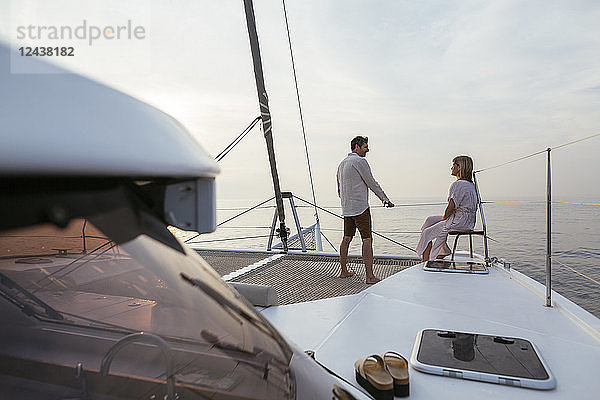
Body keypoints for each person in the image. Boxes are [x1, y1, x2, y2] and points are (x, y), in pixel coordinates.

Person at [337, 136, 394, 284]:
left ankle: (343, 271)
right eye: (365, 146)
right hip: (361, 208)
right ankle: (369, 276)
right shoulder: (360, 161)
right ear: (356, 147)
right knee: (367, 240)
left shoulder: (342, 164)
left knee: (346, 238)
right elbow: (371, 183)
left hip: (347, 208)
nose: (367, 149)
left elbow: (339, 189)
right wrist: (385, 199)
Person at [416, 155, 478, 261]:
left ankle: (426, 260)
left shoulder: (457, 184)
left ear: (459, 167)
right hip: (468, 222)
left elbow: (450, 207)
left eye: (453, 165)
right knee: (430, 220)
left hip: (458, 222)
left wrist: (444, 220)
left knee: (427, 233)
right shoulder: (471, 185)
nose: (451, 167)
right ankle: (444, 251)